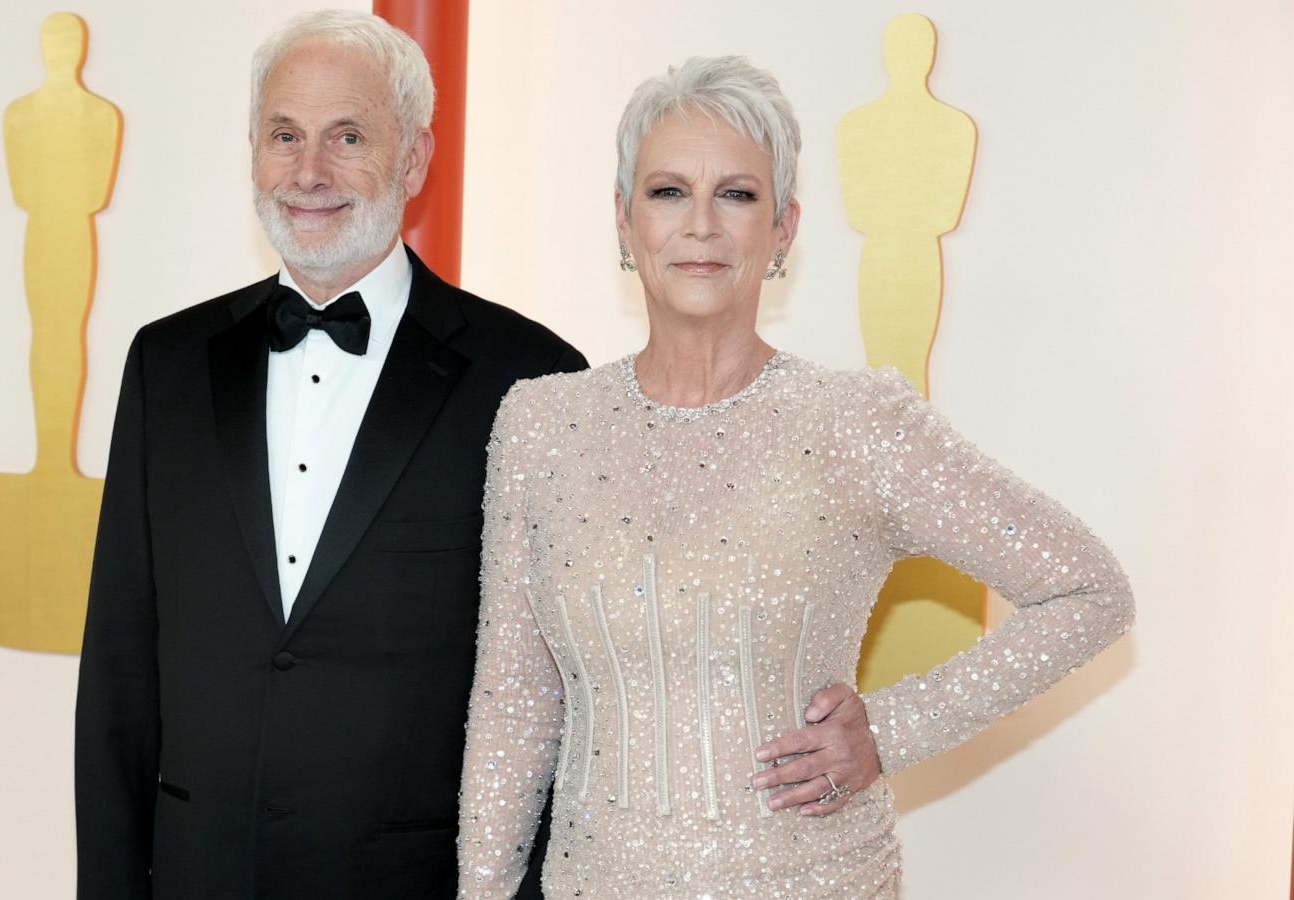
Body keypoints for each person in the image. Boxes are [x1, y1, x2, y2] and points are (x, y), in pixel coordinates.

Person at [455, 56, 1133, 898]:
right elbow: (514, 706)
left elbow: (1088, 590)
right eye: (668, 192)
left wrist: (890, 728)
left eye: (736, 194)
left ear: (783, 229)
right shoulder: (541, 424)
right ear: (623, 224)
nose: (700, 224)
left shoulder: (855, 422)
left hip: (815, 880)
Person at [74, 10, 585, 899]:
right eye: (285, 136)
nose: (308, 172)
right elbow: (119, 674)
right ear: (253, 152)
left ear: (415, 159)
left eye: (347, 136)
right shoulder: (165, 365)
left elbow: (563, 708)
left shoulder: (532, 379)